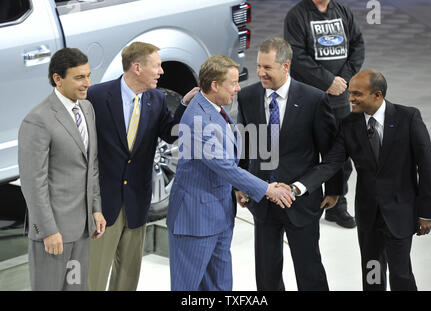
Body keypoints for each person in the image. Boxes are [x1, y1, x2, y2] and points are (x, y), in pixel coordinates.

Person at [298, 69, 431, 290]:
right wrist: (300, 186)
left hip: (400, 213)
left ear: (377, 95)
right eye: (350, 93)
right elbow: (332, 163)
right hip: (369, 215)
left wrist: (427, 212)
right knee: (372, 273)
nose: (350, 98)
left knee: (401, 274)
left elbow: (427, 167)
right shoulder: (349, 123)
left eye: (357, 94)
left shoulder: (408, 118)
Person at [166, 55, 295, 291]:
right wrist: (266, 189)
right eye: (233, 83)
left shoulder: (213, 108)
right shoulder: (198, 120)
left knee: (220, 286)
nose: (238, 88)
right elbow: (223, 166)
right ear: (215, 85)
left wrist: (238, 188)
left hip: (220, 215)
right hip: (195, 221)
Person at [86, 42, 198, 291]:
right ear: (137, 67)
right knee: (93, 278)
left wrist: (185, 106)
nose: (161, 72)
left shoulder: (156, 99)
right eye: (156, 66)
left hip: (137, 201)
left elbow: (170, 134)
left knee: (128, 277)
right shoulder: (97, 96)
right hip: (104, 205)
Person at [237, 37, 343, 291]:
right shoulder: (248, 96)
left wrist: (334, 189)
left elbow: (330, 152)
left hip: (301, 202)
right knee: (267, 274)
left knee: (310, 271)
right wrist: (241, 184)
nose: (260, 73)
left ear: (285, 67)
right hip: (262, 201)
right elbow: (245, 144)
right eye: (259, 66)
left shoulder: (314, 99)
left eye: (268, 68)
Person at [18, 48, 106, 291]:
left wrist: (96, 209)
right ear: (58, 79)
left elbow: (92, 165)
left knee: (75, 288)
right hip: (53, 231)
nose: (87, 83)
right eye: (79, 77)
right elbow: (33, 183)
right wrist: (47, 230)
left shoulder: (87, 109)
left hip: (83, 229)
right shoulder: (37, 119)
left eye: (88, 76)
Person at [284, 0, 365, 228]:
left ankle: (336, 205)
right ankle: (303, 203)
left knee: (339, 155)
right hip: (308, 98)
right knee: (304, 153)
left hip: (339, 98)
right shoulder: (297, 15)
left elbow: (358, 44)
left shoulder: (342, 11)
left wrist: (343, 80)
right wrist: (327, 81)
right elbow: (296, 57)